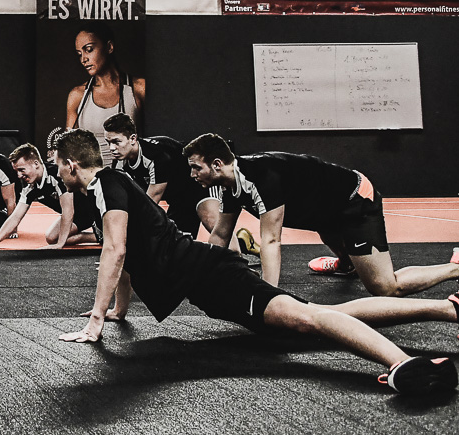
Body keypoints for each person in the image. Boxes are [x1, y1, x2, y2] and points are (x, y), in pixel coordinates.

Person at [53, 130, 458, 396]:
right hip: (209, 282)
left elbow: (116, 251)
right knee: (318, 317)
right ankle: (448, 308)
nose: (56, 173)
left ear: (72, 164)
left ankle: (404, 365)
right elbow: (126, 256)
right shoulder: (106, 190)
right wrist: (116, 313)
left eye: (57, 164)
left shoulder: (106, 183)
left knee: (310, 321)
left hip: (214, 275)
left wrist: (94, 321)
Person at [184, 134, 459, 296]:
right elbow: (220, 234)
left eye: (196, 168)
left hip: (353, 201)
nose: (192, 175)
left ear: (217, 164)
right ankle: (346, 263)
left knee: (385, 287)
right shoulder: (231, 186)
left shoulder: (260, 177)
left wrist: (269, 296)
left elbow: (270, 241)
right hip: (323, 212)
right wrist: (200, 274)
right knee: (325, 227)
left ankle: (455, 268)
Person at [102, 114, 221, 243]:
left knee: (211, 219)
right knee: (173, 243)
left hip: (201, 182)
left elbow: (149, 205)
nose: (111, 148)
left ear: (132, 138)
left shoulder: (156, 157)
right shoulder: (119, 163)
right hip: (179, 197)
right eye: (108, 142)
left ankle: (236, 257)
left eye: (116, 142)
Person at [0, 143, 85, 250]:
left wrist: (60, 245)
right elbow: (15, 217)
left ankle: (98, 230)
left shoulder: (57, 175)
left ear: (36, 163)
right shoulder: (29, 188)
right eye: (17, 171)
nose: (19, 175)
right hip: (76, 216)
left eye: (21, 170)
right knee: (51, 238)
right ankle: (95, 237)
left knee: (57, 239)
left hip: (91, 212)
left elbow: (68, 211)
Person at [65, 23, 146, 165]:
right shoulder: (77, 95)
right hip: (90, 182)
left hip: (129, 181)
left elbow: (155, 143)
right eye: (79, 54)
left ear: (109, 47)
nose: (84, 59)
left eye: (89, 50)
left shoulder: (138, 88)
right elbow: (69, 148)